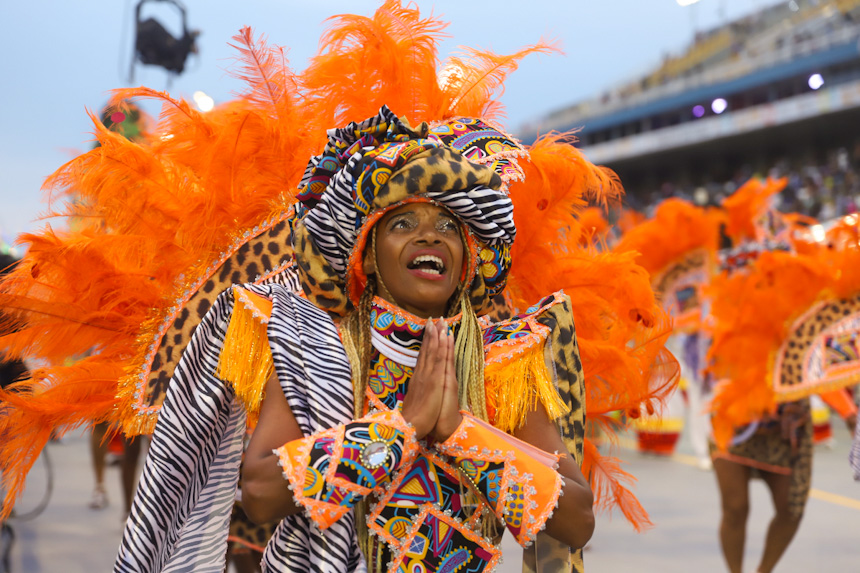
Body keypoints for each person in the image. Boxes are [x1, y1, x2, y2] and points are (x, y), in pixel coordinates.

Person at [706, 178, 860, 573]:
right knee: (735, 507)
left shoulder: (801, 309)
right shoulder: (725, 302)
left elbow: (811, 364)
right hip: (735, 414)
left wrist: (847, 411)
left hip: (787, 420)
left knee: (792, 508)